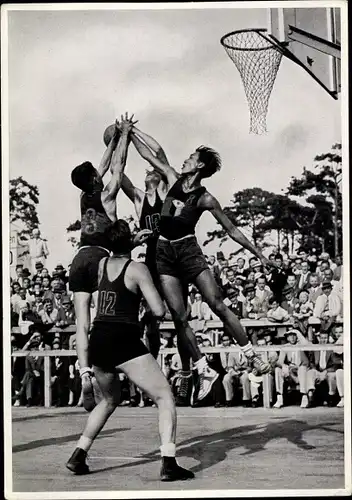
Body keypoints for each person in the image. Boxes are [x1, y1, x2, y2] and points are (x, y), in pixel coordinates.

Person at [130, 136, 274, 402]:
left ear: (199, 167)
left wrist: (260, 255)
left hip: (188, 251)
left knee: (217, 304)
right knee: (179, 316)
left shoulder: (205, 198)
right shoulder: (172, 179)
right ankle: (201, 368)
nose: (185, 159)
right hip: (163, 253)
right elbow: (149, 156)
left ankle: (250, 353)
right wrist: (130, 132)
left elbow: (231, 230)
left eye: (191, 158)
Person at [66, 220, 194, 482]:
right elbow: (159, 310)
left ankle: (78, 454)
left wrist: (128, 242)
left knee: (109, 400)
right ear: (130, 242)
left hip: (98, 339)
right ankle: (168, 462)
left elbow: (116, 256)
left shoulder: (101, 265)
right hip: (123, 338)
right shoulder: (138, 269)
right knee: (164, 397)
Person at [68, 114, 148, 412]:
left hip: (79, 258)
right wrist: (124, 135)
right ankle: (115, 372)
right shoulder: (109, 194)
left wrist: (111, 139)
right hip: (102, 257)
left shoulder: (84, 196)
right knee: (106, 319)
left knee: (82, 323)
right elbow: (118, 166)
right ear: (95, 180)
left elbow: (101, 167)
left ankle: (85, 372)